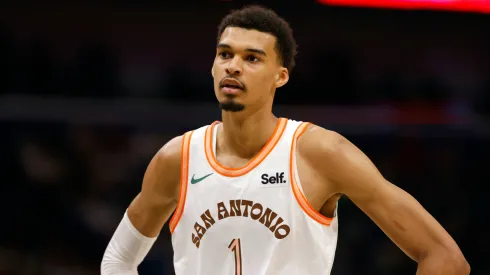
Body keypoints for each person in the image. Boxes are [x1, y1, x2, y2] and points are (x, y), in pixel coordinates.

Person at [101, 5, 469, 275]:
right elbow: (117, 259)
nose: (233, 66)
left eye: (252, 58)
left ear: (281, 76)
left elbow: (443, 257)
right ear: (212, 66)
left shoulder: (320, 152)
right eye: (225, 54)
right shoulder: (176, 158)